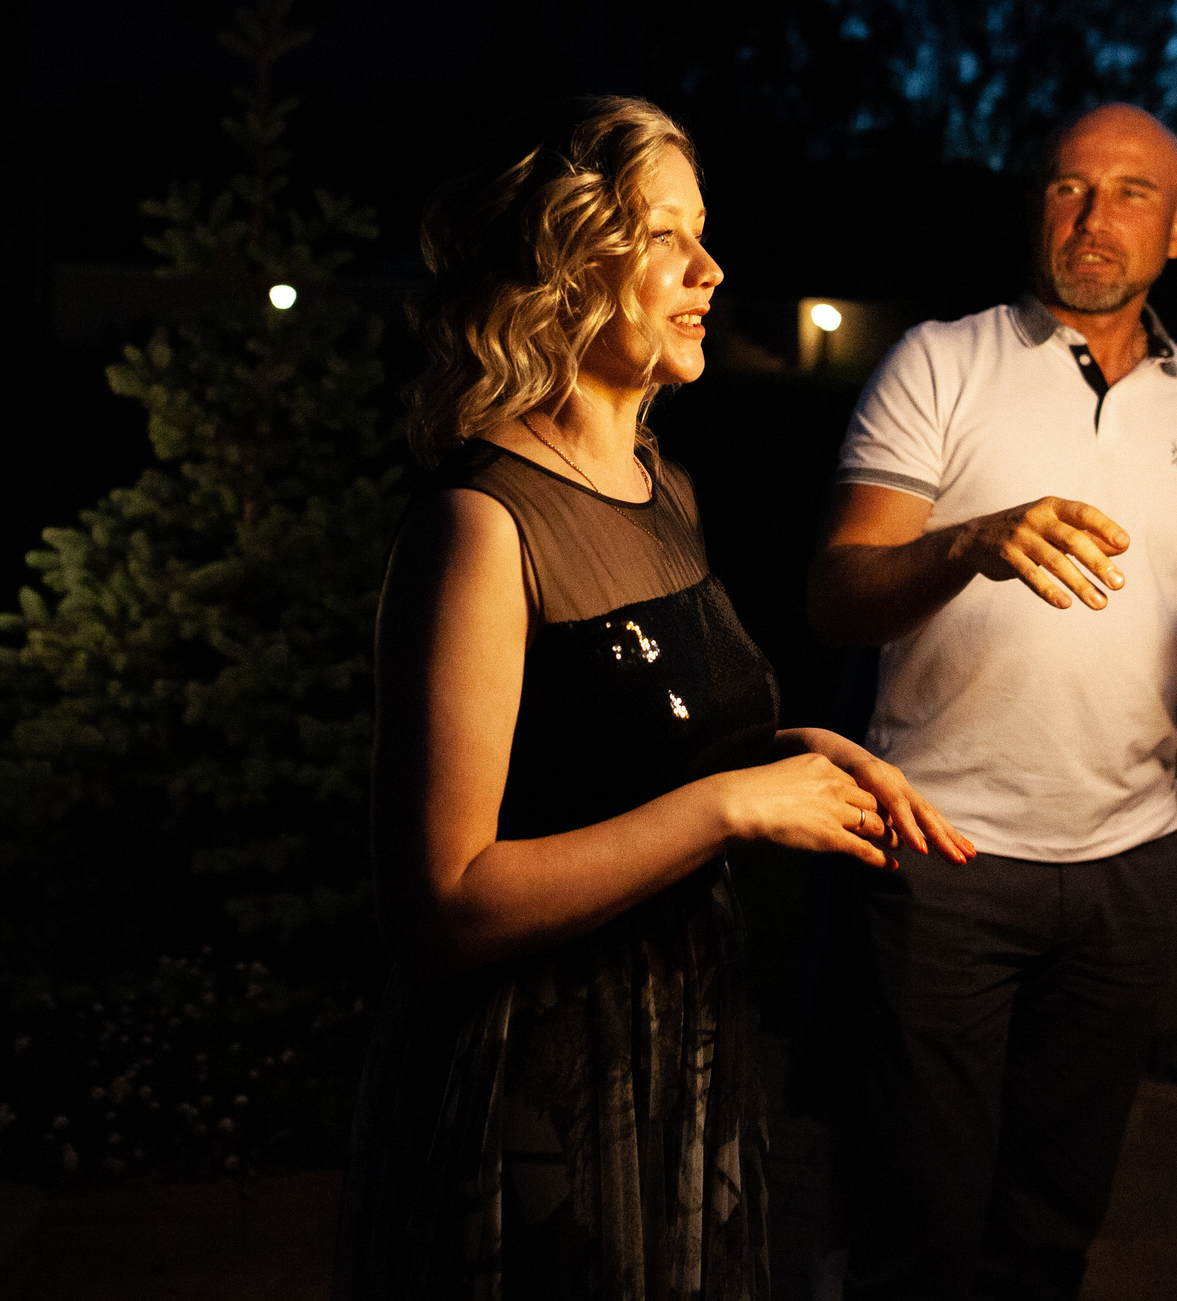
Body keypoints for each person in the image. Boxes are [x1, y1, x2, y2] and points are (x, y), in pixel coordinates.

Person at [335, 97, 970, 1298]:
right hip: (543, 1076)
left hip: (680, 1038)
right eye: (663, 235)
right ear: (571, 260)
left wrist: (805, 752)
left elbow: (643, 742)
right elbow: (442, 902)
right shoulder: (482, 526)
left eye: (703, 231)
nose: (709, 268)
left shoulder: (657, 481)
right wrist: (733, 809)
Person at [806, 103, 1177, 1299]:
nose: (1092, 216)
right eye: (1069, 187)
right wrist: (970, 541)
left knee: (1054, 1219)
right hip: (939, 844)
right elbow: (835, 594)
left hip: (1134, 857)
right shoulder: (942, 356)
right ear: (1038, 204)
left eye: (1131, 192)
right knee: (917, 1214)